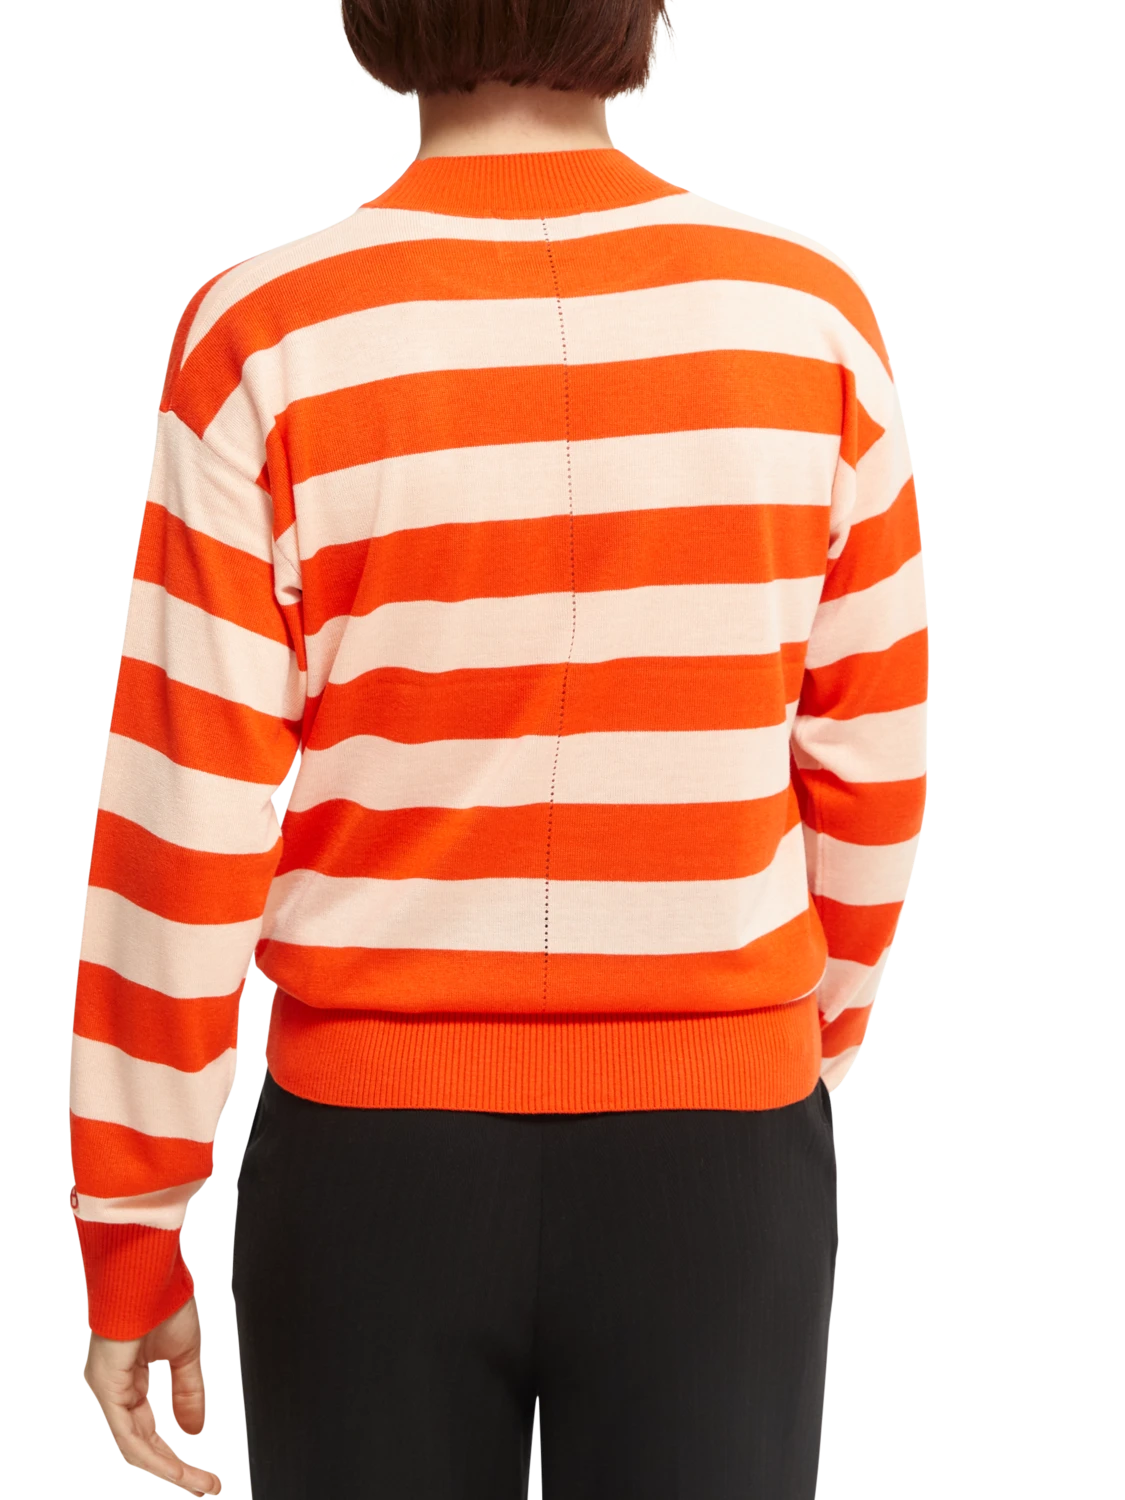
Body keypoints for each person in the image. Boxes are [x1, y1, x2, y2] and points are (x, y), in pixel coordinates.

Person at [71, 3, 928, 1496]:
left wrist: (132, 1219)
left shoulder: (271, 330)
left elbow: (183, 810)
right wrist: (796, 1043)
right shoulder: (806, 319)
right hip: (719, 1153)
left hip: (372, 1162)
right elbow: (870, 767)